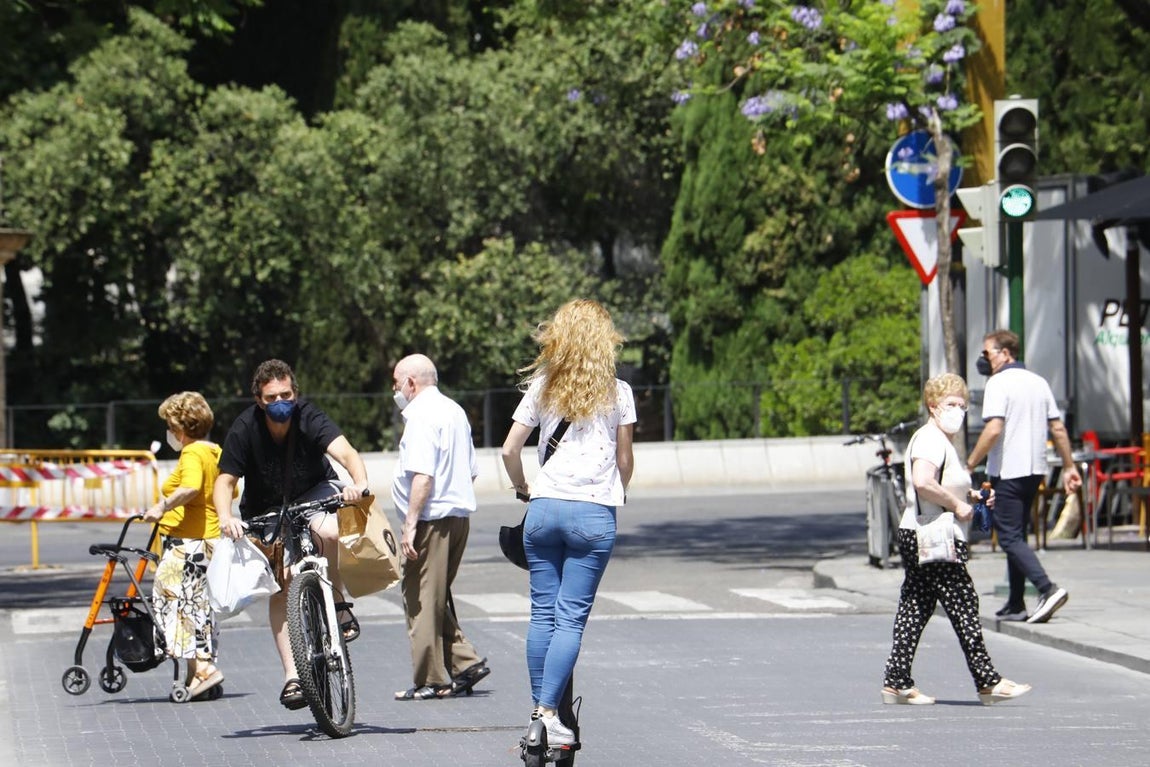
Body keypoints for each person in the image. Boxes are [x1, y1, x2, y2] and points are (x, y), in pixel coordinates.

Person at [501, 299, 635, 746]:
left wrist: (524, 488)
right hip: (593, 512)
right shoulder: (620, 392)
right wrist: (620, 490)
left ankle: (537, 713)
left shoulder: (542, 385)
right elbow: (625, 459)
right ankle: (548, 714)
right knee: (570, 619)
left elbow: (508, 449)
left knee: (542, 614)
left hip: (543, 509)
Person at [212, 359, 369, 710]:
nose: (280, 402)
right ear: (258, 400)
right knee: (281, 585)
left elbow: (346, 452)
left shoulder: (309, 416)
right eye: (272, 397)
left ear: (295, 393)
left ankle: (339, 604)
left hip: (313, 491)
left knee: (329, 532)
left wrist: (358, 483)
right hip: (266, 507)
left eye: (286, 394)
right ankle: (292, 677)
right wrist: (226, 516)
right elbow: (224, 481)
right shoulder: (244, 428)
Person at [882, 373, 1031, 706]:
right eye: (951, 404)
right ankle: (987, 681)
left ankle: (896, 681)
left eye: (962, 406)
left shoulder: (938, 439)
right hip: (932, 534)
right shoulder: (931, 439)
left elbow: (942, 484)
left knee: (916, 605)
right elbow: (923, 482)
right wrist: (960, 505)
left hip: (918, 531)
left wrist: (973, 496)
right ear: (933, 406)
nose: (958, 411)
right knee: (963, 602)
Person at [390, 353, 489, 701]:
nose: (395, 390)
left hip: (432, 519)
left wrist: (410, 525)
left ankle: (432, 679)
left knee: (419, 599)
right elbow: (471, 468)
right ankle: (465, 662)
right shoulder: (454, 411)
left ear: (411, 383)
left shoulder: (420, 416)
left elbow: (423, 475)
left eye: (396, 382)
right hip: (458, 517)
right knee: (435, 596)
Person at [966, 329, 1080, 624]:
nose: (983, 359)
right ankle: (1016, 602)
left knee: (1008, 536)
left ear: (1005, 354)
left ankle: (1047, 588)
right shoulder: (1038, 382)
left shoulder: (998, 383)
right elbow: (1058, 429)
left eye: (987, 353)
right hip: (1034, 470)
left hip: (1007, 471)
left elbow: (993, 430)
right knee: (1016, 531)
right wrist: (1069, 467)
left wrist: (969, 463)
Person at [144, 391, 227, 699]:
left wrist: (162, 506)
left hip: (189, 543)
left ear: (179, 427)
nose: (169, 432)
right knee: (198, 607)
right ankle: (198, 677)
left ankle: (204, 668)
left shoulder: (192, 454)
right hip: (211, 541)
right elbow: (229, 491)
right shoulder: (216, 451)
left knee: (171, 604)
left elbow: (190, 487)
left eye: (170, 425)